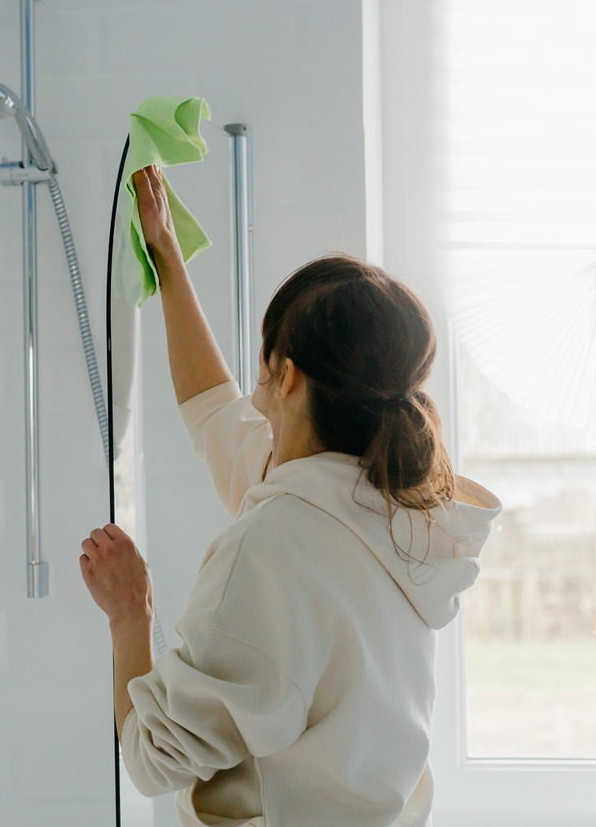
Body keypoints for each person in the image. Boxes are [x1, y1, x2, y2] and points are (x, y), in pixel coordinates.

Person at [79, 164, 503, 827]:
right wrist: (167, 259)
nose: (251, 386)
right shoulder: (393, 506)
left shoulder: (271, 546)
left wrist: (129, 614)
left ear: (288, 376)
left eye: (262, 359)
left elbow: (152, 759)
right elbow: (213, 413)